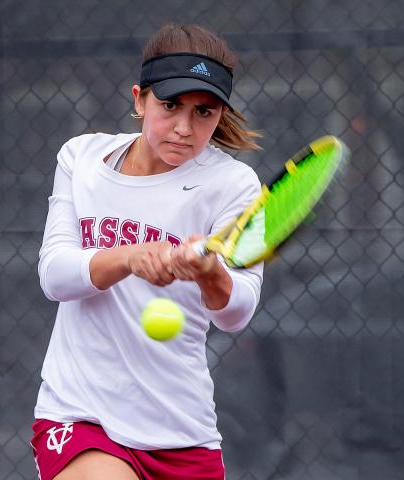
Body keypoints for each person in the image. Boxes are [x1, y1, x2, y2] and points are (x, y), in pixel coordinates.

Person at [31, 23, 264, 480]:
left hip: (182, 429)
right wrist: (131, 257)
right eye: (170, 106)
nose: (183, 127)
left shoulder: (233, 184)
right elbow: (56, 276)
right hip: (81, 415)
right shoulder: (81, 160)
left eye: (204, 112)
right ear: (139, 99)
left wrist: (208, 272)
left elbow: (235, 312)